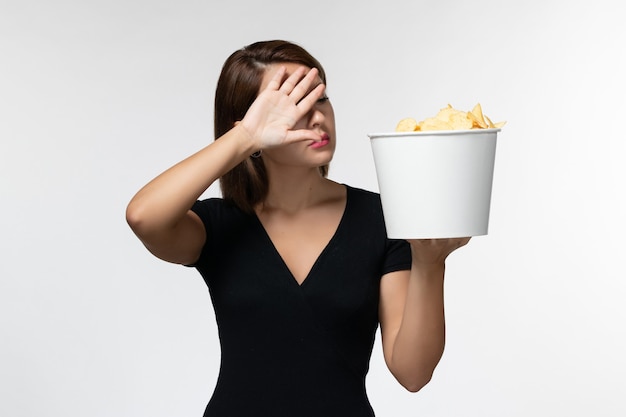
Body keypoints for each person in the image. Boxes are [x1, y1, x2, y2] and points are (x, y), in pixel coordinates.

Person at [126, 39, 470, 417]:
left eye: (320, 98)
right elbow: (143, 216)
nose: (317, 117)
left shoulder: (383, 218)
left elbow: (413, 373)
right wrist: (245, 137)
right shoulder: (217, 226)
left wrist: (430, 262)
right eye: (293, 104)